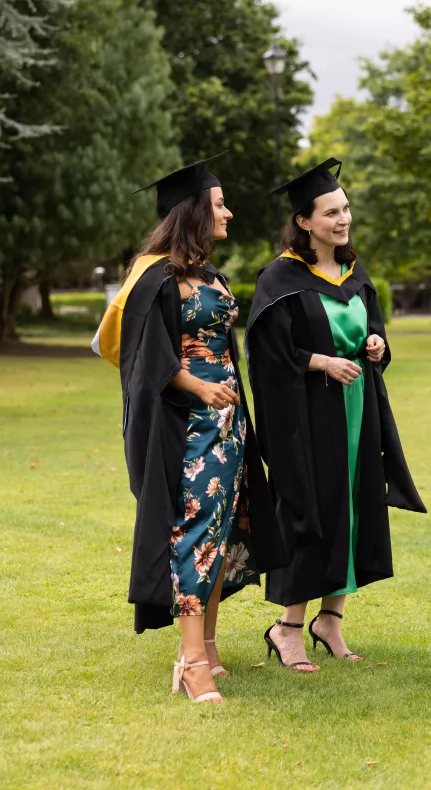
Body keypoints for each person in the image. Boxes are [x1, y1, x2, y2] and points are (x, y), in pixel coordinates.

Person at [92, 154, 289, 704]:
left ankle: (209, 646)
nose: (228, 212)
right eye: (220, 204)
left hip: (228, 424)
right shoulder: (156, 277)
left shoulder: (208, 275)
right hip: (187, 427)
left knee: (222, 535)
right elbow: (143, 355)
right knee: (193, 535)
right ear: (195, 212)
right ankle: (190, 662)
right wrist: (200, 387)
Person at [245, 158, 426, 673]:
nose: (342, 220)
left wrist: (375, 344)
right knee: (313, 512)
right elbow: (269, 357)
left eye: (345, 209)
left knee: (356, 507)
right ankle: (287, 628)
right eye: (330, 212)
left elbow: (376, 333)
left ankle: (331, 619)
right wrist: (319, 361)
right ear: (304, 221)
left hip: (357, 412)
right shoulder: (279, 279)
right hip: (309, 419)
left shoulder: (356, 273)